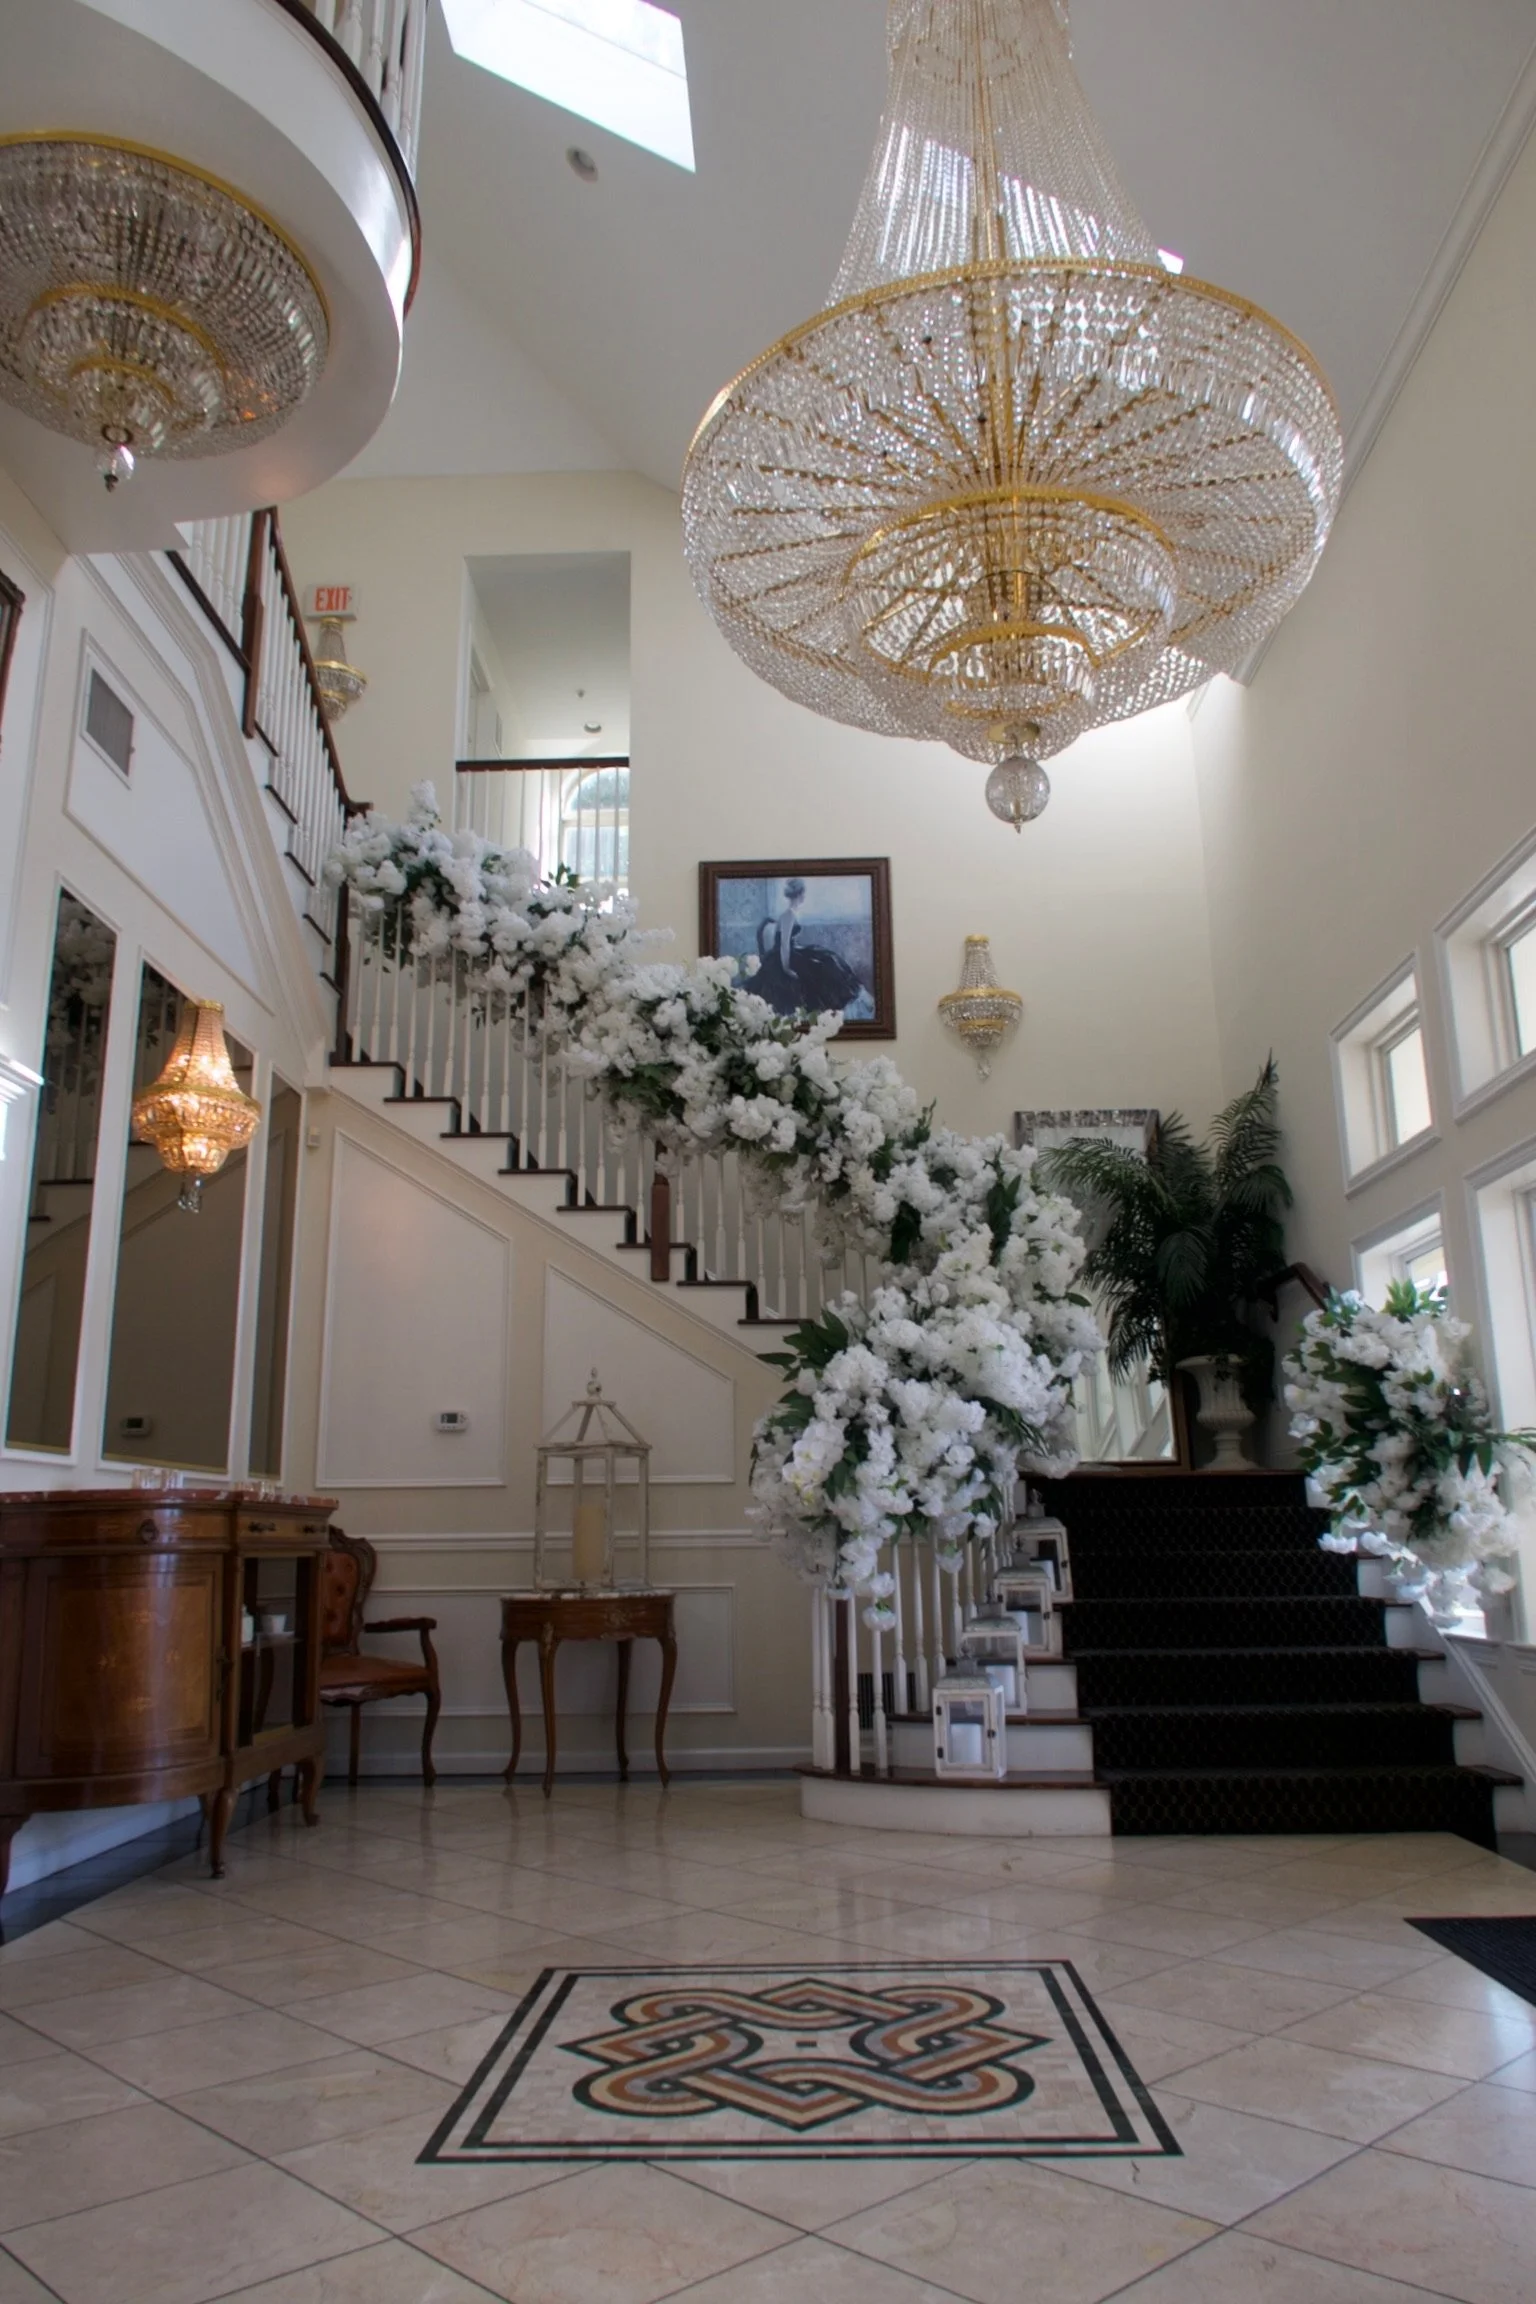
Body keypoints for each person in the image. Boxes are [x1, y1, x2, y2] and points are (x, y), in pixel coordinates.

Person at [754, 879, 866, 1019]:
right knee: (822, 966)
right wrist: (786, 968)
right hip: (783, 956)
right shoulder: (788, 915)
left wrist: (799, 948)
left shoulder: (791, 913)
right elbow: (784, 944)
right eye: (803, 894)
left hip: (791, 951)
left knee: (828, 959)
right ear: (799, 894)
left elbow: (790, 942)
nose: (804, 897)